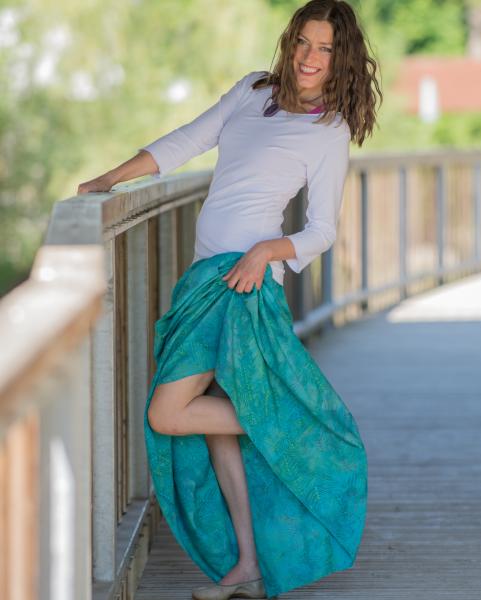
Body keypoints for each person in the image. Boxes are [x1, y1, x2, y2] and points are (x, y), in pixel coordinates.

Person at [78, 1, 382, 598]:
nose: (310, 57)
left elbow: (322, 230)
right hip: (205, 281)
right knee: (216, 423)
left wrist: (266, 251)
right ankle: (247, 565)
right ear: (290, 41)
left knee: (168, 413)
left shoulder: (329, 130)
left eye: (324, 49)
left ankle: (293, 426)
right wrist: (109, 180)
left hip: (245, 288)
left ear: (340, 58)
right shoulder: (253, 91)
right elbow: (185, 142)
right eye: (303, 42)